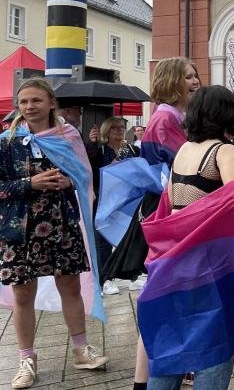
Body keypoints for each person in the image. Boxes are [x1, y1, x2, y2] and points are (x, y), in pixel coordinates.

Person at [145, 85, 234, 390]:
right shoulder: (224, 151)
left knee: (176, 340)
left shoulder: (184, 149)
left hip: (176, 256)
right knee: (217, 339)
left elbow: (171, 199)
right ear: (227, 114)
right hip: (212, 260)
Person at [1, 79, 108, 389]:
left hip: (61, 223)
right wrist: (28, 185)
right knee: (23, 294)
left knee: (70, 286)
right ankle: (26, 359)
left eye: (36, 100)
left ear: (51, 103)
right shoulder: (7, 141)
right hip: (19, 229)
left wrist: (70, 182)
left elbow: (84, 175)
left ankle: (81, 350)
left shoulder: (68, 135)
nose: (29, 106)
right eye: (23, 102)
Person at [121, 56, 199, 390]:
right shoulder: (166, 118)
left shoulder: (174, 116)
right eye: (188, 76)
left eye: (196, 75)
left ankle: (168, 372)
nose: (195, 81)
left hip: (172, 207)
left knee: (170, 296)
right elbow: (187, 163)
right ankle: (145, 380)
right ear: (171, 81)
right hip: (169, 211)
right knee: (163, 297)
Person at [88, 116, 140, 295]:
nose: (119, 131)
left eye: (122, 127)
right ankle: (105, 279)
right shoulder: (101, 151)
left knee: (129, 237)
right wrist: (110, 168)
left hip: (127, 200)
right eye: (114, 128)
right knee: (102, 241)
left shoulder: (132, 149)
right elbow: (92, 175)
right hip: (105, 200)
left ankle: (132, 274)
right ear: (106, 131)